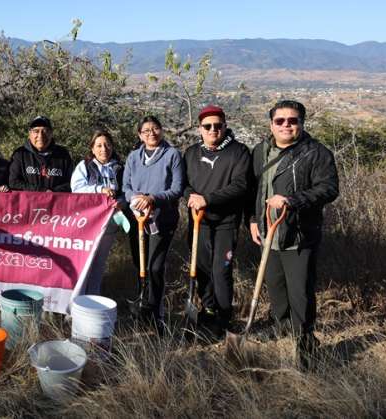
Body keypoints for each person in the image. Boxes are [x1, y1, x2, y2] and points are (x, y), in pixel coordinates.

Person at [248, 100, 339, 370]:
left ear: (301, 123)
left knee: (300, 292)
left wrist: (293, 200)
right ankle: (283, 328)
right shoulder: (261, 151)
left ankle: (306, 344)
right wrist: (252, 220)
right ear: (271, 125)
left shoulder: (316, 153)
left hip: (298, 235)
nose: (287, 125)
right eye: (280, 121)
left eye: (293, 120)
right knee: (276, 289)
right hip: (269, 235)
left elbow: (329, 188)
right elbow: (255, 189)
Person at [183, 105, 252, 337]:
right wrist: (190, 196)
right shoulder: (192, 153)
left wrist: (208, 199)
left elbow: (241, 186)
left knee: (220, 270)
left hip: (226, 222)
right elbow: (184, 184)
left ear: (225, 126)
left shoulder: (239, 152)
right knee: (201, 269)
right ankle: (208, 310)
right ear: (200, 129)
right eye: (207, 126)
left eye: (218, 125)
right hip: (198, 221)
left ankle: (224, 318)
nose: (213, 130)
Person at [123, 116, 184, 330]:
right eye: (146, 130)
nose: (151, 133)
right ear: (140, 134)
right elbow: (126, 187)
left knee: (155, 267)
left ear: (162, 130)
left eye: (155, 128)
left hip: (162, 219)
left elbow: (177, 189)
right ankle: (142, 309)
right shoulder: (133, 157)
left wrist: (152, 198)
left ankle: (156, 312)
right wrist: (136, 198)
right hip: (137, 217)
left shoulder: (172, 155)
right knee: (140, 265)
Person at [70, 129, 127, 295]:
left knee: (99, 264)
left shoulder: (119, 168)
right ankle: (75, 303)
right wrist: (99, 189)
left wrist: (121, 203)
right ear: (92, 148)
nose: (104, 149)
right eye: (99, 145)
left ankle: (92, 299)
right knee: (84, 262)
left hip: (109, 224)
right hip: (88, 224)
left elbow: (125, 192)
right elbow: (76, 189)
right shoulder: (85, 166)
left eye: (107, 145)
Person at [9, 116, 73, 192]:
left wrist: (52, 192)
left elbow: (71, 183)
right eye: (36, 131)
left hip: (56, 203)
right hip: (28, 203)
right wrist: (41, 191)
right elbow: (13, 182)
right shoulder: (20, 154)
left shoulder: (63, 154)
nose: (41, 136)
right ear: (29, 134)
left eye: (45, 131)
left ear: (51, 133)